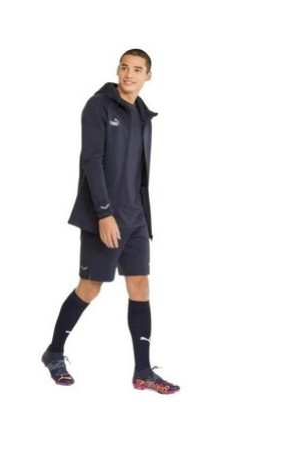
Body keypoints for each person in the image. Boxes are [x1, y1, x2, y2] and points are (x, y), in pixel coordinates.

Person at [41, 49, 180, 395]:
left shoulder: (143, 115)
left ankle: (143, 371)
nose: (129, 74)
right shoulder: (98, 106)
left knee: (140, 287)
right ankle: (54, 353)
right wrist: (104, 214)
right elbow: (92, 161)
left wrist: (143, 218)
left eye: (137, 69)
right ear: (117, 70)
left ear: (148, 76)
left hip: (136, 218)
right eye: (124, 67)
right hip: (103, 217)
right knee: (90, 288)